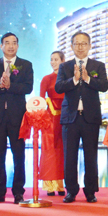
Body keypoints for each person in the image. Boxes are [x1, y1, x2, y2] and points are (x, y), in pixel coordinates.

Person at [56, 32, 108, 203]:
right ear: (71, 46)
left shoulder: (98, 66)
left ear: (89, 46)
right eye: (77, 44)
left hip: (90, 117)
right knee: (69, 157)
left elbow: (104, 86)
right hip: (70, 118)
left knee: (91, 156)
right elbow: (58, 87)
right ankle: (71, 191)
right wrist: (74, 80)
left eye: (83, 43)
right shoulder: (65, 67)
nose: (80, 47)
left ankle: (90, 191)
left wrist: (87, 79)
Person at [0, 32, 33, 204]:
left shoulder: (25, 65)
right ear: (1, 46)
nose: (11, 46)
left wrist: (11, 86)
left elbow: (28, 88)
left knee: (19, 155)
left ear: (17, 46)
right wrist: (0, 85)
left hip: (17, 116)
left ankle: (18, 192)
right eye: (7, 43)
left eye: (14, 43)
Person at [40, 51, 66, 196]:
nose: (53, 62)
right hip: (50, 119)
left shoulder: (68, 78)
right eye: (51, 59)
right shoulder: (46, 79)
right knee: (50, 149)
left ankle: (61, 184)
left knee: (63, 151)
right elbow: (41, 100)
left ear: (63, 60)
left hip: (65, 118)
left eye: (56, 59)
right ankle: (50, 184)